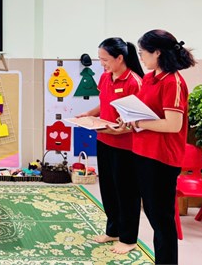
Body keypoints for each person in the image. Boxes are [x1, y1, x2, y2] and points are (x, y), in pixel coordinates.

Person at [123, 29, 196, 265]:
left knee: (162, 219)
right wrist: (129, 119)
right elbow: (145, 111)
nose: (141, 57)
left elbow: (173, 125)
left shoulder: (173, 82)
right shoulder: (150, 78)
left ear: (157, 52)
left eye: (143, 53)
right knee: (153, 214)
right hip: (143, 152)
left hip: (162, 157)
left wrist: (139, 123)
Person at [76, 37, 144, 254]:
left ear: (120, 58)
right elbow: (105, 102)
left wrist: (120, 129)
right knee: (108, 190)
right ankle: (113, 231)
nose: (102, 64)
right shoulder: (106, 77)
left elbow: (138, 118)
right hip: (104, 140)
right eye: (100, 59)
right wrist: (89, 114)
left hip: (125, 146)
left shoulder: (134, 81)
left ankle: (129, 238)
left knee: (126, 193)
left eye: (105, 59)